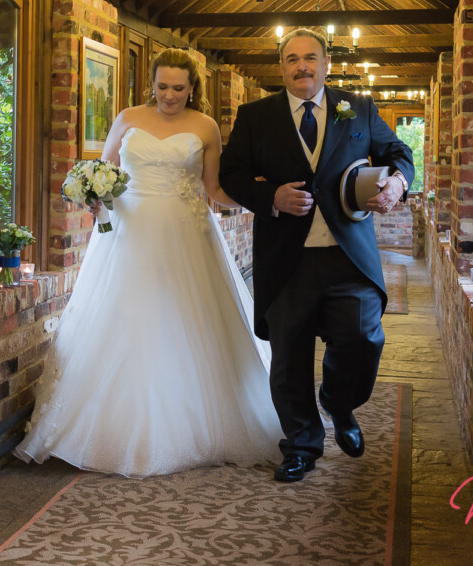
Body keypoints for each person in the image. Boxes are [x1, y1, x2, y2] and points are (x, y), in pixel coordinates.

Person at [15, 48, 282, 477]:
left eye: (178, 88)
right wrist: (92, 197)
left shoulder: (206, 126)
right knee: (128, 321)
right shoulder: (127, 118)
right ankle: (114, 430)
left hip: (185, 234)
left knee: (184, 322)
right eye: (162, 87)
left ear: (192, 88)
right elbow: (103, 175)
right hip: (129, 234)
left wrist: (265, 200)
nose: (169, 96)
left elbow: (214, 189)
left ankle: (186, 427)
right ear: (151, 84)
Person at [219, 29, 413, 483]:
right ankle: (301, 445)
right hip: (286, 258)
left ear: (327, 65)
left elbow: (398, 153)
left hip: (349, 256)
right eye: (292, 59)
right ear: (281, 67)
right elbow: (232, 174)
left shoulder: (358, 107)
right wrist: (271, 197)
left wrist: (398, 182)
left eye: (310, 58)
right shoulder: (255, 116)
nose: (301, 66)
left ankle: (339, 402)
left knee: (363, 337)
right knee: (289, 358)